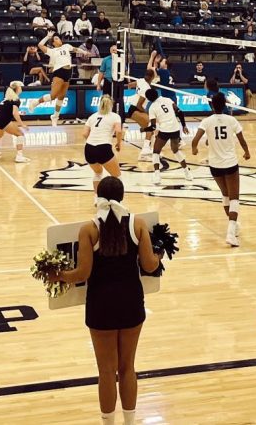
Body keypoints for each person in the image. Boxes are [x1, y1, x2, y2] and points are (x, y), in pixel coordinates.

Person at [47, 177, 161, 425]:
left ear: (98, 195)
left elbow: (82, 274)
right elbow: (150, 265)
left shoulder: (89, 229)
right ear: (122, 196)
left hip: (101, 305)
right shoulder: (137, 224)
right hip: (131, 301)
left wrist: (58, 275)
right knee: (127, 368)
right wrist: (160, 252)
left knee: (106, 371)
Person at [191, 93, 251, 247]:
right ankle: (230, 232)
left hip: (215, 165)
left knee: (225, 195)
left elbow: (195, 140)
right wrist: (247, 152)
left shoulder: (206, 121)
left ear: (212, 105)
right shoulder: (231, 120)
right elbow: (242, 139)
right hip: (230, 164)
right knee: (234, 198)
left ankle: (233, 225)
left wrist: (194, 149)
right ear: (225, 104)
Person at [143, 88, 192, 185]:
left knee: (156, 151)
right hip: (175, 128)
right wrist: (184, 126)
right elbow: (180, 112)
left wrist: (143, 129)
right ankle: (187, 172)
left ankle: (157, 175)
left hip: (164, 130)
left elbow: (153, 126)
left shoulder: (152, 107)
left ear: (148, 99)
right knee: (176, 150)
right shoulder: (167, 100)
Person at [29, 32, 75, 127]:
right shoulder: (52, 51)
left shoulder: (66, 46)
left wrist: (84, 52)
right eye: (57, 39)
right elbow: (40, 45)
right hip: (59, 72)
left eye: (59, 38)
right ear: (53, 43)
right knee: (53, 96)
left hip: (68, 72)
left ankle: (55, 116)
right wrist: (47, 37)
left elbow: (76, 49)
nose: (59, 40)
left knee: (61, 97)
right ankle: (35, 102)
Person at [83, 95, 124, 196]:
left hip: (89, 148)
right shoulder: (115, 116)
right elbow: (118, 131)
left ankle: (97, 199)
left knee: (97, 173)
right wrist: (118, 143)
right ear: (111, 105)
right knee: (117, 176)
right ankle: (118, 200)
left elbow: (84, 134)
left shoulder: (92, 116)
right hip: (103, 148)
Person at [0, 81, 31, 163]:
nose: (21, 88)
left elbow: (7, 110)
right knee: (20, 134)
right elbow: (14, 113)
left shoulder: (7, 98)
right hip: (3, 120)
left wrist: (19, 113)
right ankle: (19, 157)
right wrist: (22, 124)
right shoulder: (16, 100)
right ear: (17, 89)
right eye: (20, 87)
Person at [126, 68, 158, 161]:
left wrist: (135, 91)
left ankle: (147, 151)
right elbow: (139, 105)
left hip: (133, 108)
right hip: (135, 109)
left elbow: (129, 85)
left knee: (150, 130)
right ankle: (145, 152)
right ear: (152, 77)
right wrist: (148, 113)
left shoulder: (140, 80)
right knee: (151, 125)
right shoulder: (147, 88)